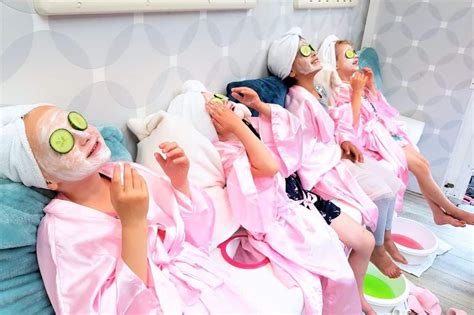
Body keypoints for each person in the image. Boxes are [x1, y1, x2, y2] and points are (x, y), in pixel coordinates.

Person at [0, 104, 258, 314]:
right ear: (47, 179)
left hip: (210, 290)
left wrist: (179, 183)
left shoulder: (126, 173)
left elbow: (196, 237)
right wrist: (132, 225)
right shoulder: (61, 234)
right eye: (61, 141)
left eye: (75, 122)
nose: (85, 135)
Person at [267, 27, 406, 282]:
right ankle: (376, 249)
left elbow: (334, 123)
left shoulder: (319, 90)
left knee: (393, 182)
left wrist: (343, 141)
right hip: (324, 168)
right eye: (303, 52)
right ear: (291, 70)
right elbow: (303, 150)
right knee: (383, 194)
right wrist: (335, 154)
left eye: (309, 46)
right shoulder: (298, 101)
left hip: (336, 153)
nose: (312, 53)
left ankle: (385, 238)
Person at [205, 91, 362, 314]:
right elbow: (269, 167)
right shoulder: (225, 151)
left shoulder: (249, 130)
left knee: (342, 267)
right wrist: (237, 126)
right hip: (281, 224)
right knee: (338, 275)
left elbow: (290, 131)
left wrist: (257, 106)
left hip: (298, 206)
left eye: (222, 101)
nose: (223, 106)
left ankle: (354, 301)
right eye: (214, 108)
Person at [319, 35, 474, 227]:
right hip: (370, 140)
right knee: (421, 167)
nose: (355, 56)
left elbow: (383, 110)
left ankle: (438, 213)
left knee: (422, 163)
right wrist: (357, 92)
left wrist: (371, 86)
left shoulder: (357, 81)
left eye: (354, 51)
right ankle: (450, 209)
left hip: (385, 130)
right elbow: (351, 126)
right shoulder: (341, 90)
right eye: (348, 54)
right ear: (335, 64)